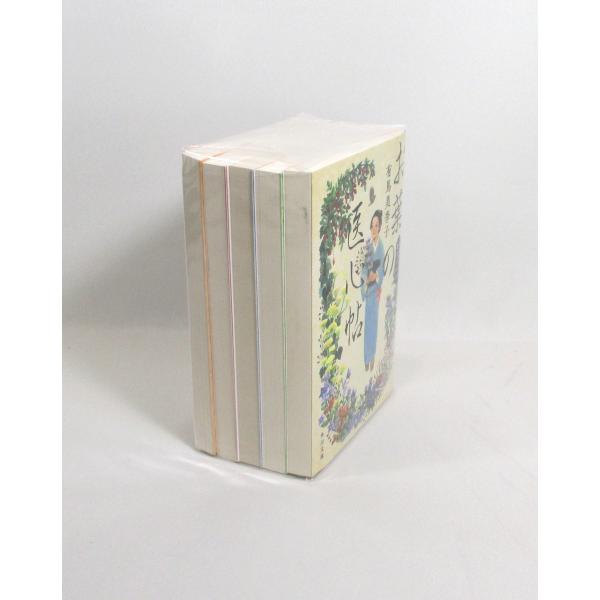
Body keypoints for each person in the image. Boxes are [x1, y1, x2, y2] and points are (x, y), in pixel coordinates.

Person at [361, 210, 385, 371]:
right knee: (367, 327)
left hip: (375, 290)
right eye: (372, 225)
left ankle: (372, 357)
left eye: (376, 225)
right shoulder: (368, 245)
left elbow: (382, 270)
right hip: (368, 291)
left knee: (373, 326)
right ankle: (366, 359)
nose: (374, 228)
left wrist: (376, 276)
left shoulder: (381, 247)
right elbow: (363, 268)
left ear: (380, 227)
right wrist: (366, 278)